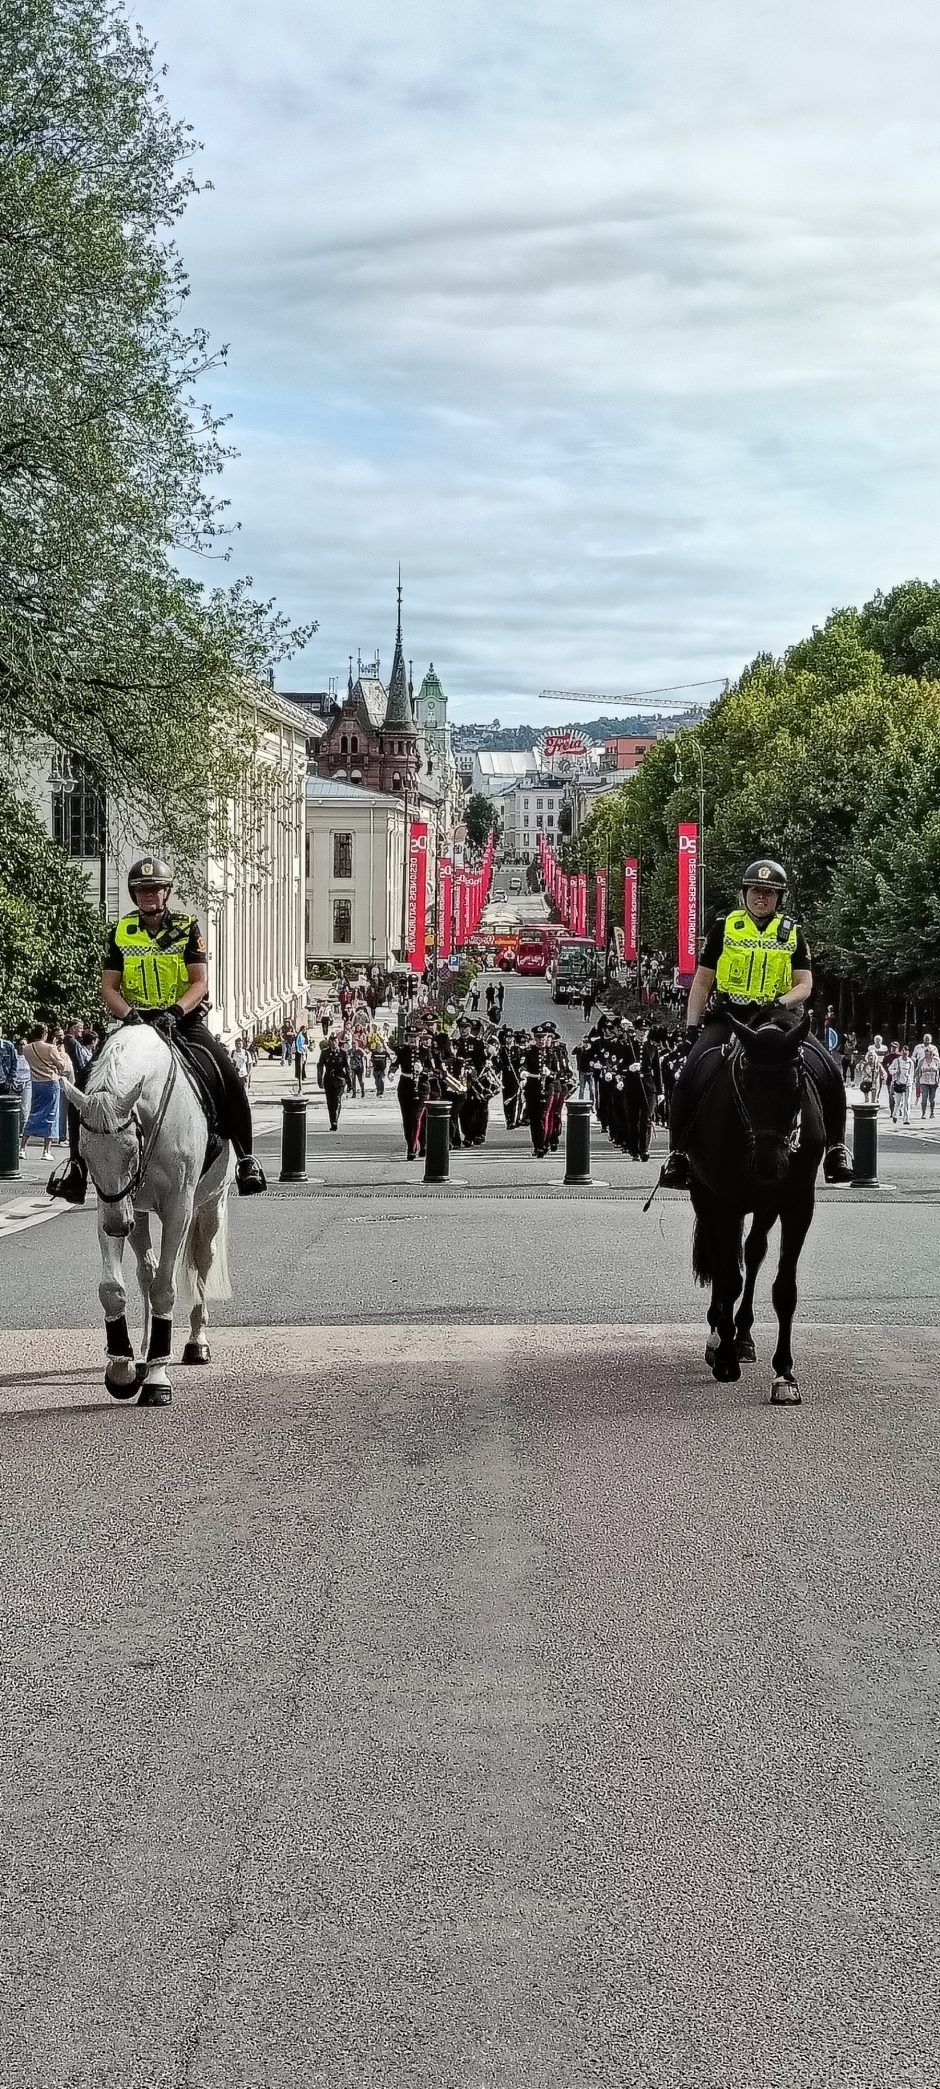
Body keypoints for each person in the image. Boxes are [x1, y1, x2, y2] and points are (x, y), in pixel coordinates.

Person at [48, 854, 266, 1203]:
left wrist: (176, 1011)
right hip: (136, 1021)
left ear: (166, 893)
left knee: (226, 1076)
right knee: (88, 1084)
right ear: (135, 896)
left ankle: (245, 1158)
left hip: (181, 1020)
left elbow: (200, 982)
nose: (149, 896)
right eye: (142, 891)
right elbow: (109, 987)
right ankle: (75, 1167)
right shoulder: (121, 930)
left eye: (156, 890)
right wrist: (130, 1015)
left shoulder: (186, 927)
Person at [660, 857, 854, 1188]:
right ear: (744, 894)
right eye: (754, 891)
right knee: (691, 1071)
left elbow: (805, 984)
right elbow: (703, 982)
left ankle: (836, 1149)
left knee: (830, 1071)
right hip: (731, 1016)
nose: (760, 898)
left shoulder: (792, 933)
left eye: (768, 893)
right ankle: (678, 1155)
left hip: (778, 1015)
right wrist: (692, 1028)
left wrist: (780, 1002)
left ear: (779, 898)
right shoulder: (724, 927)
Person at [21, 1023, 69, 1162]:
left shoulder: (27, 1048)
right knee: (51, 1115)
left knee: (34, 1114)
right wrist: (61, 1052)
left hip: (36, 1082)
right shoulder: (51, 1048)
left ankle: (22, 1148)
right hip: (50, 1082)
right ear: (45, 1033)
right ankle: (46, 1150)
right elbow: (62, 1066)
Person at [918, 1034, 939, 1118]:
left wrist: (938, 1080)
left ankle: (932, 1113)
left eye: (929, 1052)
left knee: (932, 1099)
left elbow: (938, 1070)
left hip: (933, 1082)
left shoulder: (936, 1061)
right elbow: (919, 1071)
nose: (928, 1054)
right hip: (924, 1082)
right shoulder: (921, 1061)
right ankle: (923, 1113)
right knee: (924, 1098)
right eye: (926, 1052)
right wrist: (917, 1081)